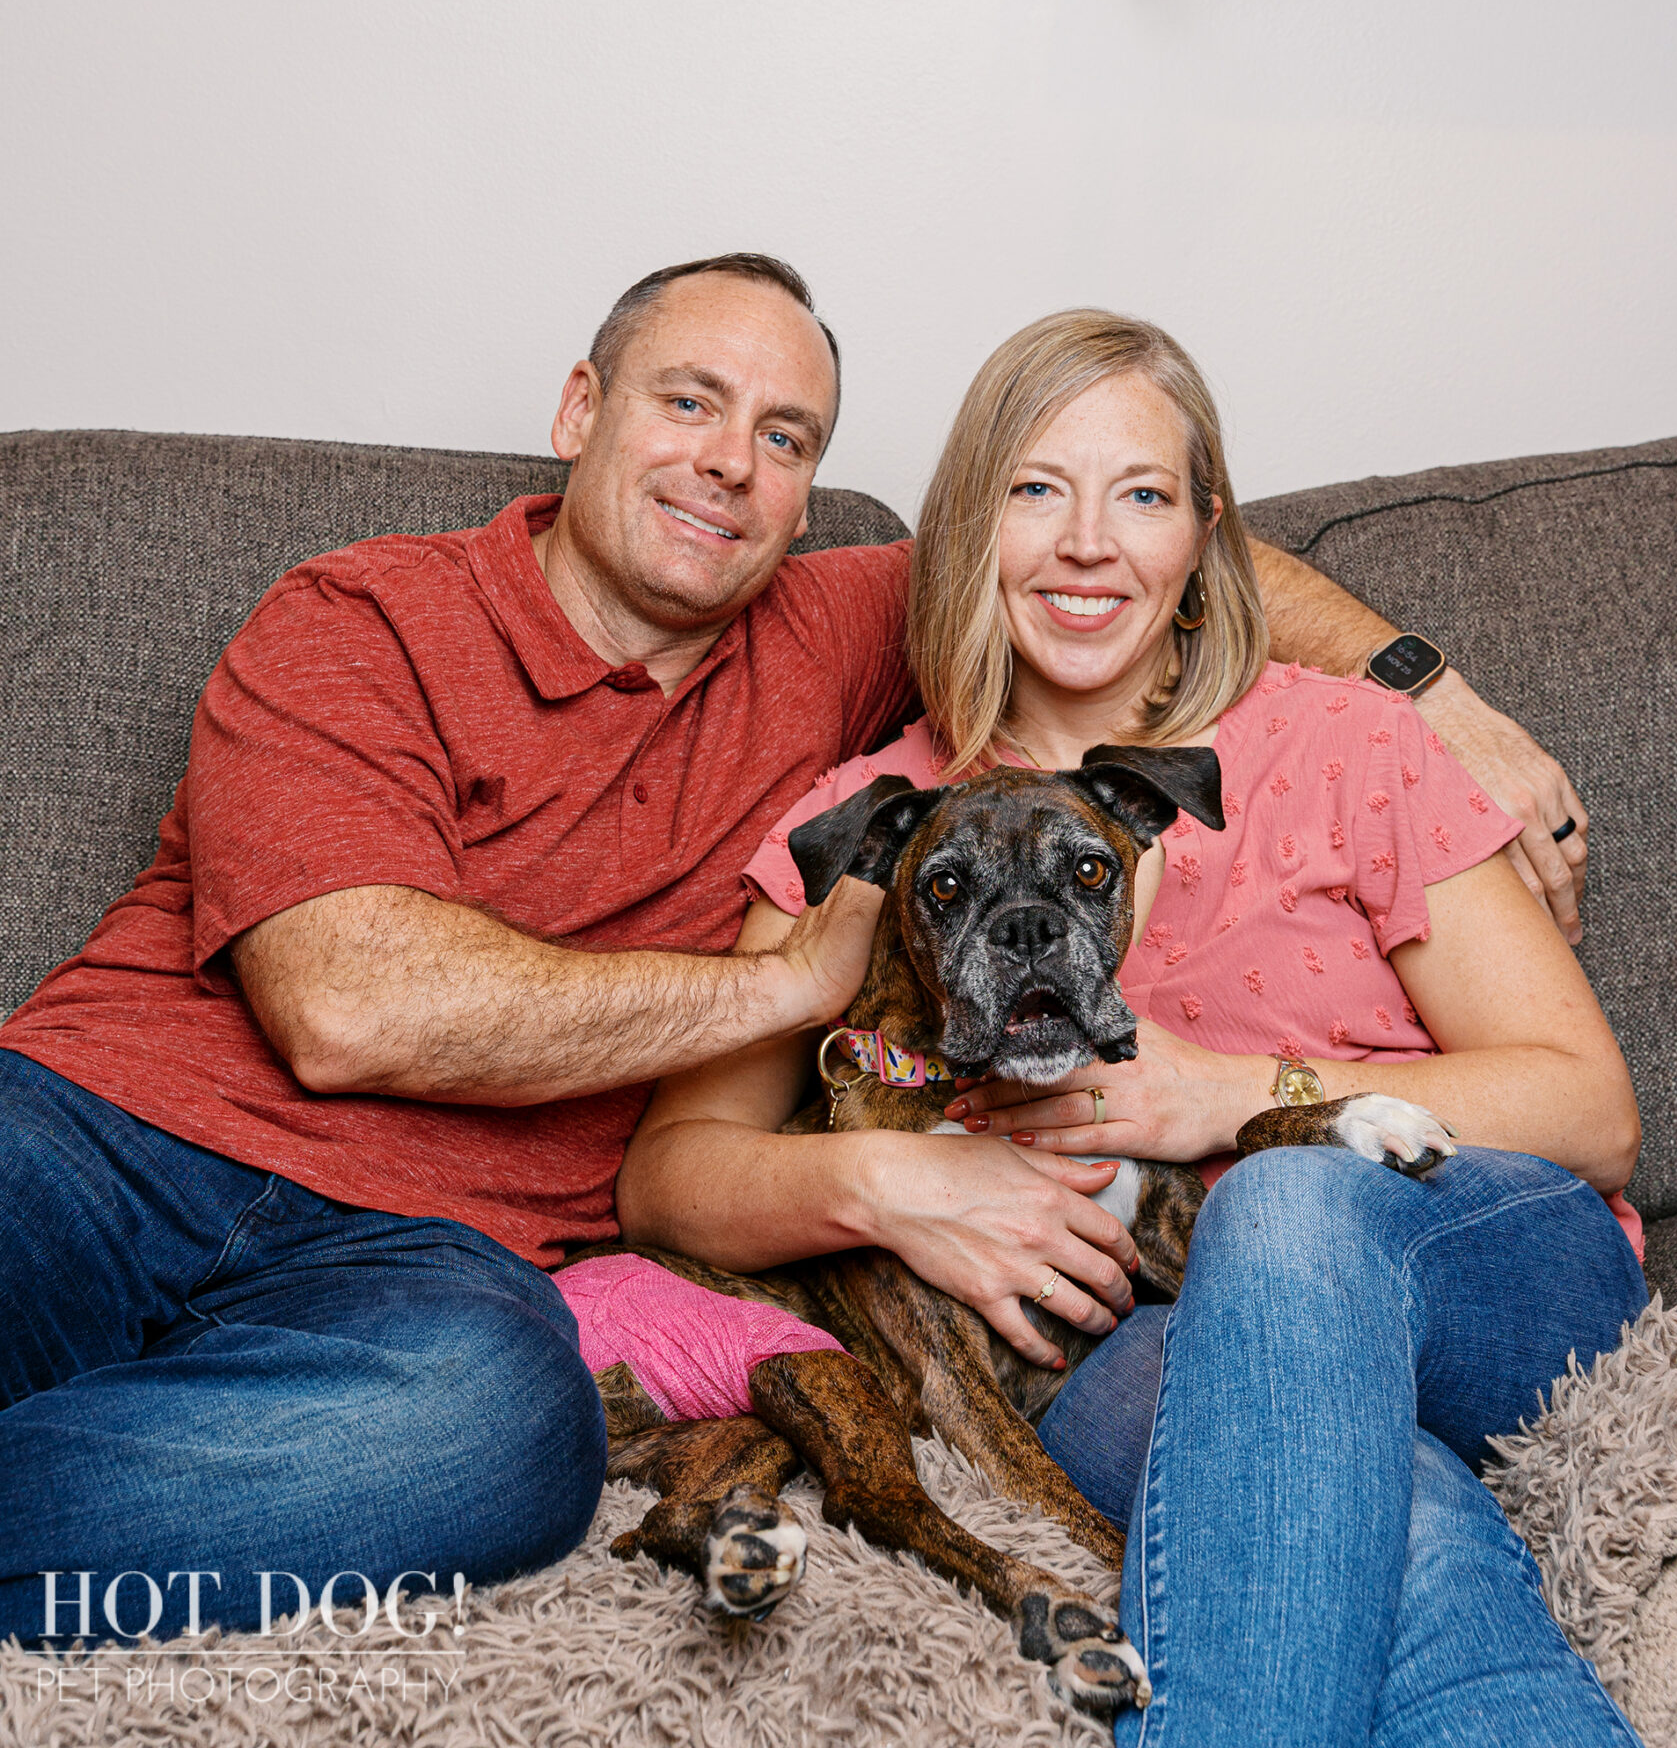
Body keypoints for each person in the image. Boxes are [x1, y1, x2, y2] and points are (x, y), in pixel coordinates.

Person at [0, 257, 1586, 1648]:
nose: (727, 468)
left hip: (425, 1263)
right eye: (688, 402)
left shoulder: (845, 627)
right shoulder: (366, 616)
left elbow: (1122, 560)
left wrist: (1431, 690)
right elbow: (344, 1009)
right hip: (104, 1134)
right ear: (577, 409)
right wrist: (796, 1012)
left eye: (785, 440)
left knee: (498, 1437)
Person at [619, 309, 1644, 1746]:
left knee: (1282, 1207)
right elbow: (667, 1174)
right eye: (1036, 491)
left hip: (1479, 1267)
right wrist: (886, 1180)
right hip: (1149, 1340)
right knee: (1396, 1531)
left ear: (1202, 537)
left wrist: (1221, 1094)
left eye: (1142, 496)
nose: (1089, 544)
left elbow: (1590, 1108)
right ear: (969, 530)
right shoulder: (872, 827)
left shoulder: (1338, 744)